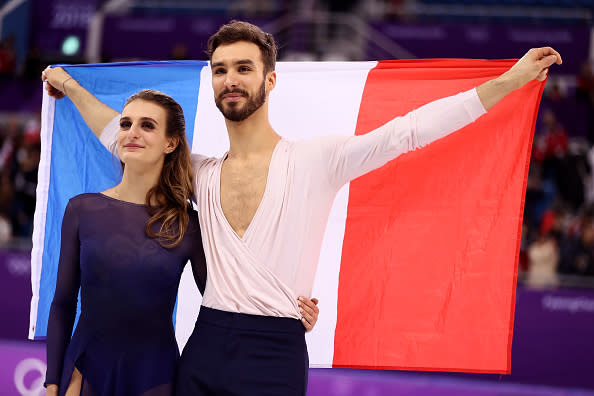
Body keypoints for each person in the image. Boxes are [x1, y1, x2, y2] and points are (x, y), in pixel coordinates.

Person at [43, 20, 562, 396]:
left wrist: (508, 82)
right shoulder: (197, 173)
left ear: (269, 80)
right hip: (203, 348)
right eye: (220, 69)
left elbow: (407, 133)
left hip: (276, 353)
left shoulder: (319, 159)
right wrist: (66, 84)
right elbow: (123, 135)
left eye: (244, 68)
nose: (230, 79)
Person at [42, 89, 320, 396]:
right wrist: (53, 380)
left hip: (156, 377)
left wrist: (284, 313)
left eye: (147, 125)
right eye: (125, 124)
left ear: (171, 143)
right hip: (86, 371)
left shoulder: (187, 224)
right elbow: (63, 303)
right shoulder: (82, 209)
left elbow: (228, 302)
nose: (132, 133)